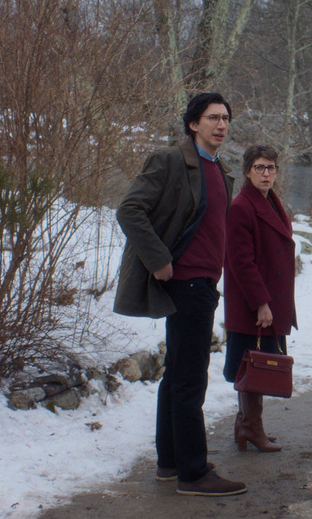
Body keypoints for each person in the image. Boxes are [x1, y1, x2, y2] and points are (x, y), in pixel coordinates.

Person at [115, 93, 247, 497]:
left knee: (176, 377)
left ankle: (170, 463)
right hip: (185, 284)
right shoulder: (171, 161)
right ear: (193, 124)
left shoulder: (220, 171)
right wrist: (158, 260)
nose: (221, 125)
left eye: (225, 118)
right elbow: (130, 209)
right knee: (190, 380)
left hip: (204, 284)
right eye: (212, 118)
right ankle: (194, 473)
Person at [223, 145, 297, 453]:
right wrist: (261, 302)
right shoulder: (242, 206)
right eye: (259, 168)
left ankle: (246, 425)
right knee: (252, 366)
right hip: (254, 305)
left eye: (271, 168)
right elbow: (241, 262)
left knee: (256, 365)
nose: (266, 173)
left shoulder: (270, 201)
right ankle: (252, 428)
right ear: (247, 171)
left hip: (269, 300)